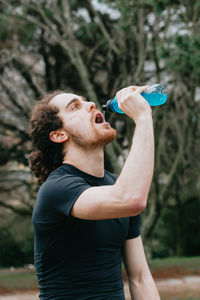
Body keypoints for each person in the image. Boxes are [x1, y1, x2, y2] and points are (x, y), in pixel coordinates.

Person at [29, 85, 160, 300]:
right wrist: (143, 118)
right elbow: (131, 198)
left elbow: (140, 278)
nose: (91, 104)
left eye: (86, 101)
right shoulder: (57, 190)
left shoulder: (115, 185)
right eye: (75, 107)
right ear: (59, 135)